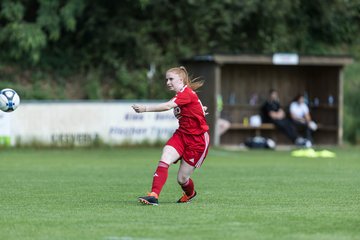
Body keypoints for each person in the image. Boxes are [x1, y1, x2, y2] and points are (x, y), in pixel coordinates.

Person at [132, 66, 210, 205]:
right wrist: (201, 110)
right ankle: (154, 195)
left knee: (182, 179)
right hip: (181, 135)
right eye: (167, 79)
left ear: (181, 79)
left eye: (171, 79)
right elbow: (194, 107)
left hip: (197, 141)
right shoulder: (182, 94)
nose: (168, 82)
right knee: (165, 157)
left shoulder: (186, 93)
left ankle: (190, 193)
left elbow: (168, 106)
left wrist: (145, 108)